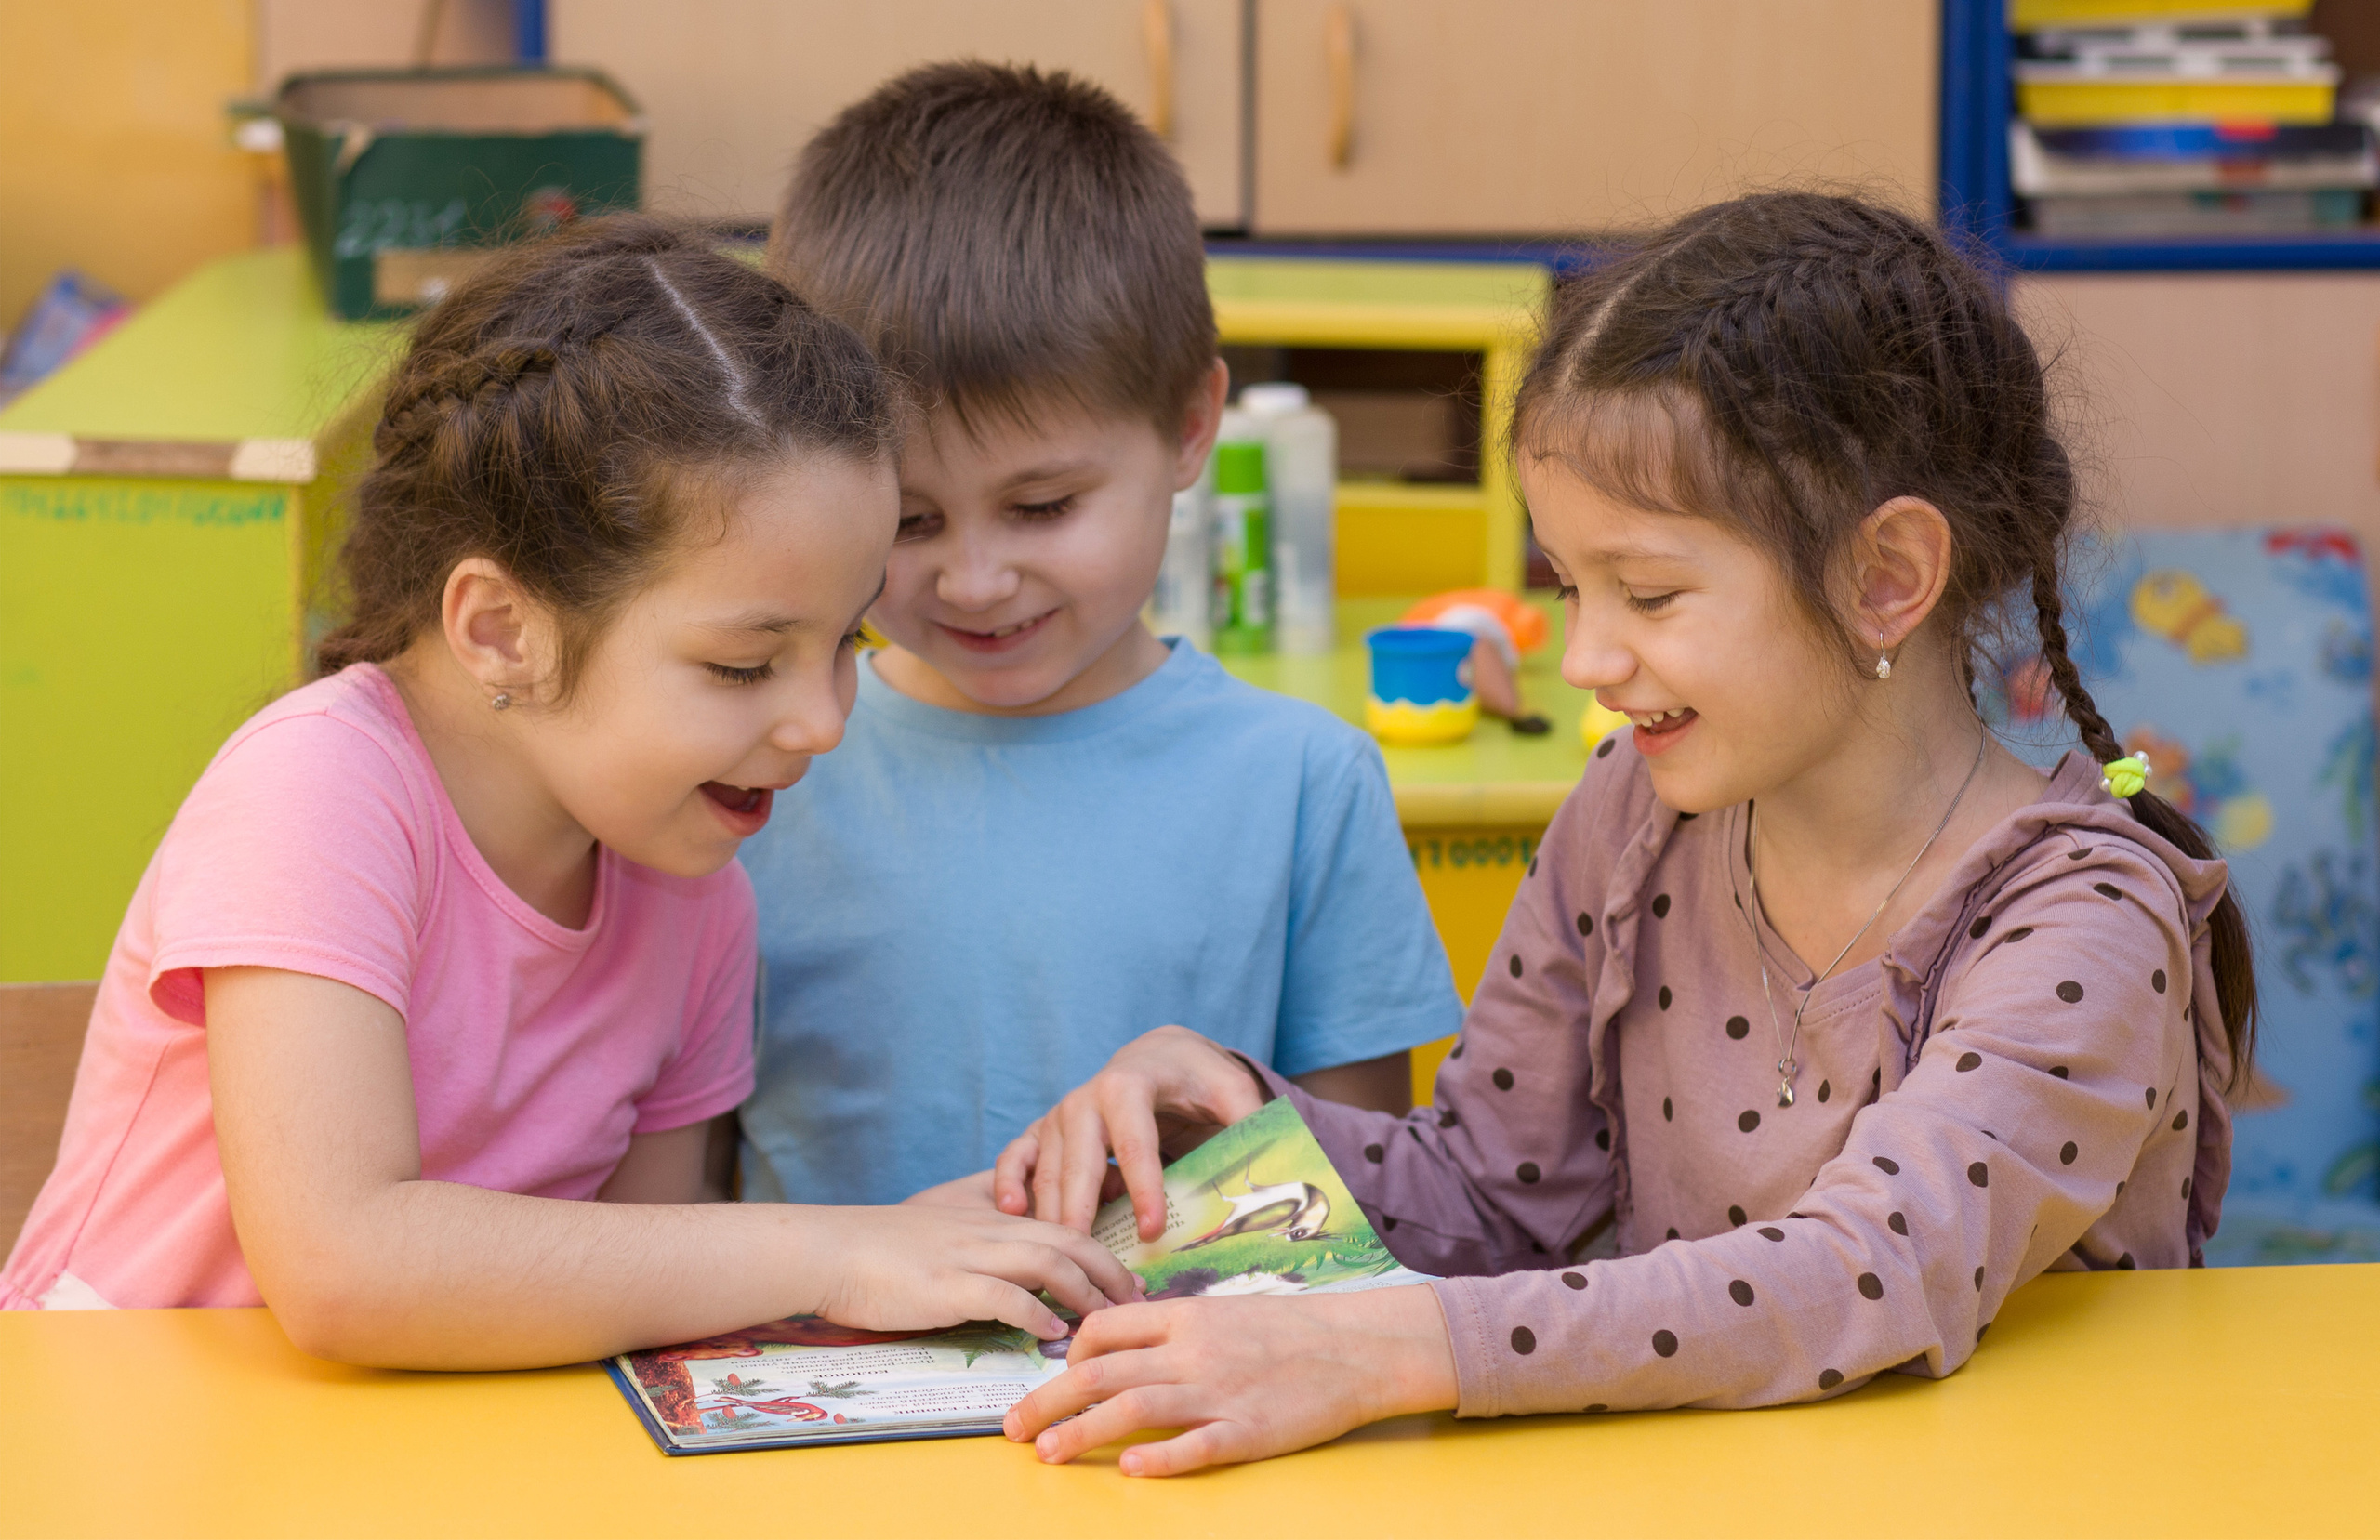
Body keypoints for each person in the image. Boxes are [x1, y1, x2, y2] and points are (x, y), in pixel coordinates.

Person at [991, 191, 2256, 1474]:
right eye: (1567, 586)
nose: (1588, 656)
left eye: (1646, 591)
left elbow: (1868, 1272)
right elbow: (1493, 1193)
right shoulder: (1635, 810)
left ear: (1886, 579)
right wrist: (1236, 1116)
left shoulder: (2090, 920)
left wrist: (1385, 1349)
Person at [0, 217, 1140, 1366]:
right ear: (501, 631)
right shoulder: (317, 790)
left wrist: (904, 1251)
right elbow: (344, 1262)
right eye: (742, 665)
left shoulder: (694, 889)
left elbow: (637, 1281)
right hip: (117, 1432)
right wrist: (827, 1251)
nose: (825, 722)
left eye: (845, 639)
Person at [736, 62, 1463, 1209]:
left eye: (1042, 507)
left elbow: (1369, 1201)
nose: (975, 580)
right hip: (806, 1378)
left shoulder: (1300, 782)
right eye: (909, 520)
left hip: (1181, 1378)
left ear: (1189, 428)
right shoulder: (753, 773)